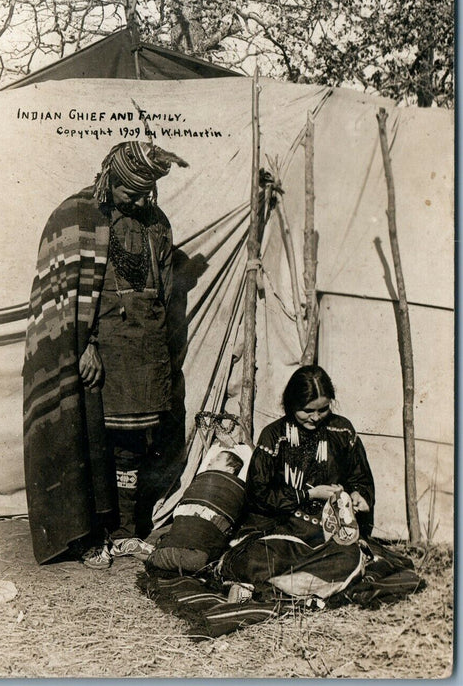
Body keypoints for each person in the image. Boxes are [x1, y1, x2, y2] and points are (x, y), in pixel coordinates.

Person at [23, 140, 188, 568]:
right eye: (129, 192)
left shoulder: (157, 224)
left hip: (144, 349)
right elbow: (69, 294)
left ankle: (126, 531)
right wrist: (86, 345)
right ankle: (91, 535)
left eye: (144, 194)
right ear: (110, 179)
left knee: (134, 443)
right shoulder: (79, 216)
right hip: (101, 347)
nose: (136, 201)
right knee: (96, 440)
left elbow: (166, 291)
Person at [218, 364, 376, 598]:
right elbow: (258, 494)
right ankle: (302, 586)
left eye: (322, 410)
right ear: (291, 404)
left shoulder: (341, 430)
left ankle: (274, 587)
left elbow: (359, 477)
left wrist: (358, 495)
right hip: (281, 526)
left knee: (348, 557)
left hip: (326, 532)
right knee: (254, 558)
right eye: (307, 410)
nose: (315, 417)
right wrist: (308, 495)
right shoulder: (274, 436)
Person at [145, 448, 245, 576]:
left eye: (218, 459)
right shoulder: (201, 483)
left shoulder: (233, 490)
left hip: (168, 555)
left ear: (230, 470)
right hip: (199, 560)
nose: (210, 461)